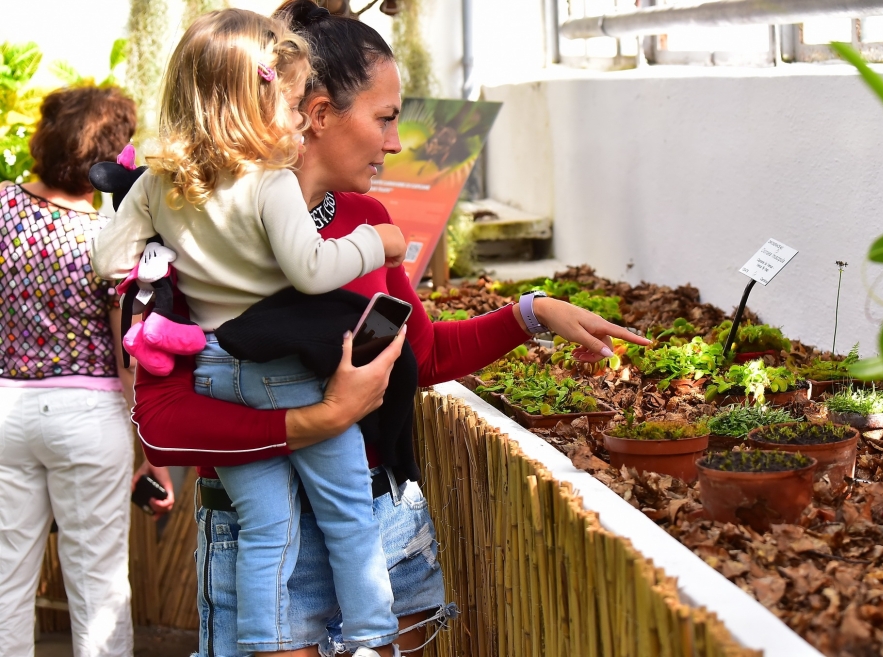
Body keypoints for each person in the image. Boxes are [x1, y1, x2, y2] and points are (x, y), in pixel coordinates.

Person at [128, 3, 651, 657]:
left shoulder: (367, 219)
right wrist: (313, 421)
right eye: (385, 117)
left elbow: (420, 355)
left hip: (381, 529)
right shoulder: (185, 228)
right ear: (316, 114)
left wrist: (530, 314)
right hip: (268, 548)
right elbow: (162, 421)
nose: (398, 142)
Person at [90, 10, 410, 657]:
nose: (298, 119)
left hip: (212, 370)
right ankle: (376, 637)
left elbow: (107, 261)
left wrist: (168, 257)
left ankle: (263, 642)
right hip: (288, 370)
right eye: (292, 103)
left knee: (264, 526)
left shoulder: (158, 183)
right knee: (348, 511)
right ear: (260, 100)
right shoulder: (271, 184)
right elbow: (312, 271)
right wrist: (376, 241)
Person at [0, 85, 173, 657]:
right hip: (87, 419)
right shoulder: (109, 236)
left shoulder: (2, 208)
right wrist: (152, 451)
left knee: (6, 578)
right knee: (98, 582)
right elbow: (128, 357)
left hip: (6, 410)